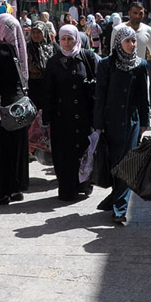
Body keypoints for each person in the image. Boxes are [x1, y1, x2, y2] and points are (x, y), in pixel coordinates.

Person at [92, 25, 150, 225]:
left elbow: (143, 97)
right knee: (115, 163)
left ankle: (119, 208)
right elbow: (100, 95)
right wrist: (98, 123)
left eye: (134, 41)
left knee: (126, 164)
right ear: (118, 42)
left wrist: (144, 122)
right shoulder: (107, 65)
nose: (132, 45)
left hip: (131, 122)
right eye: (128, 41)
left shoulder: (141, 65)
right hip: (111, 122)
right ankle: (115, 198)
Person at [45, 24, 99, 201]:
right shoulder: (53, 62)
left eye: (70, 39)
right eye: (63, 39)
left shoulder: (87, 57)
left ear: (77, 39)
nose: (67, 43)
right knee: (65, 154)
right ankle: (67, 189)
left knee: (85, 151)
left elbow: (98, 83)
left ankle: (84, 185)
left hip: (85, 116)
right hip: (62, 117)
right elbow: (49, 92)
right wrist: (47, 117)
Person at [0, 14, 32, 205]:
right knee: (17, 150)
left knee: (3, 151)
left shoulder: (2, 49)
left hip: (3, 110)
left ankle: (3, 193)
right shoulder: (16, 49)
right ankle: (16, 189)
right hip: (19, 107)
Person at [126, 2, 151, 113]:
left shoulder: (147, 30)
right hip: (122, 72)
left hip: (140, 73)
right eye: (135, 13)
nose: (137, 16)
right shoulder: (119, 29)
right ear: (129, 13)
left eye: (140, 13)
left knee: (140, 104)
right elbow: (112, 52)